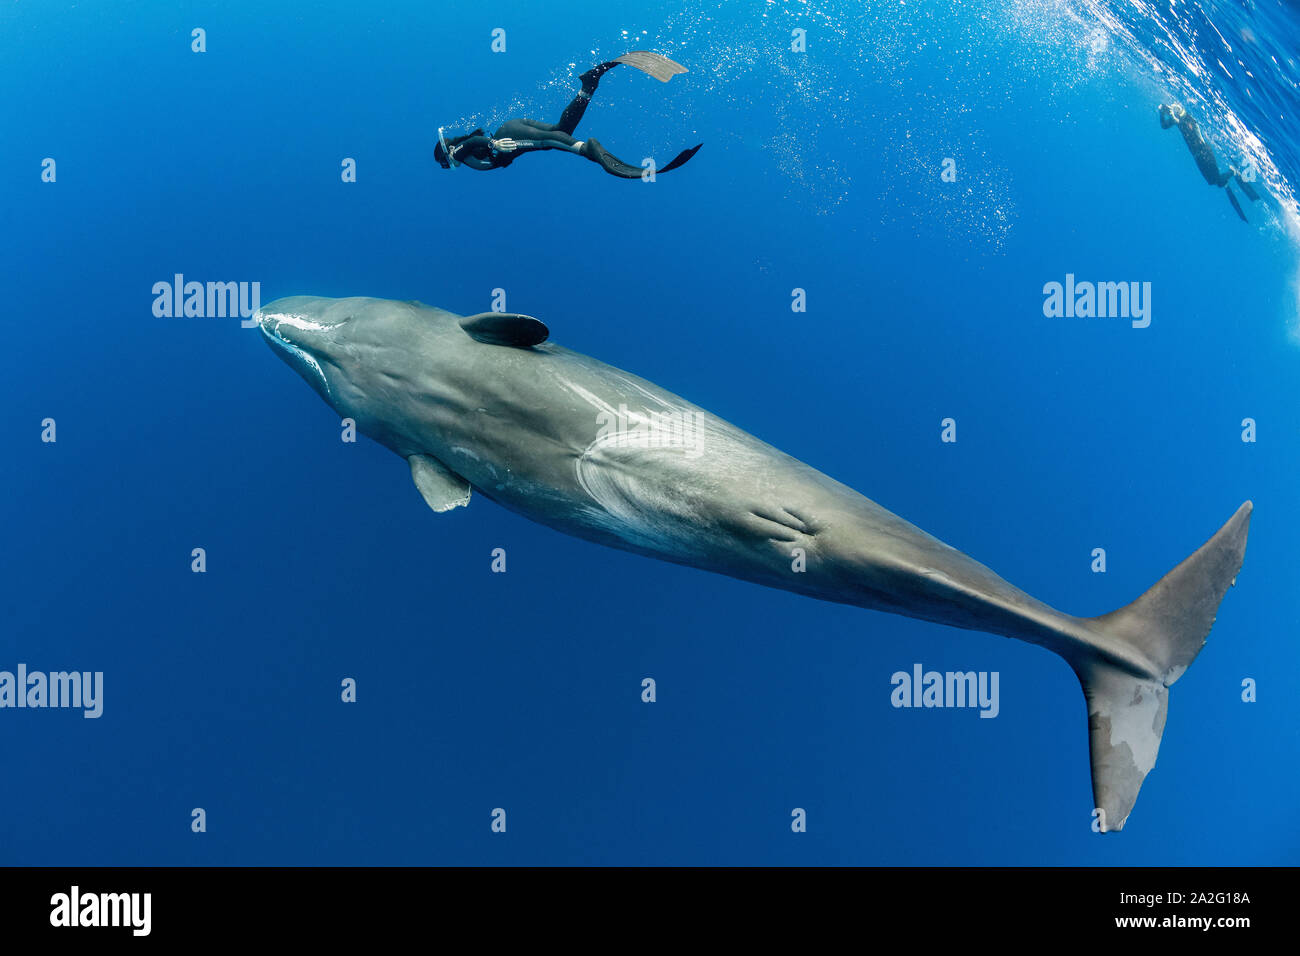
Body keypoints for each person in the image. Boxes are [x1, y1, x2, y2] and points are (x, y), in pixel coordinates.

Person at [435, 52, 702, 179]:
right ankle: (588, 85)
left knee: (550, 142)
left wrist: (492, 145)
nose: (447, 166)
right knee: (562, 130)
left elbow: (469, 145)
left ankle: (590, 151)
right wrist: (492, 143)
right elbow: (472, 144)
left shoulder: (458, 153)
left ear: (446, 154)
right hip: (513, 128)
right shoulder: (464, 154)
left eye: (443, 163)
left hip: (509, 136)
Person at [1158, 101, 1261, 221]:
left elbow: (1181, 117)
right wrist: (1161, 113)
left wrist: (1174, 112)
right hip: (1198, 155)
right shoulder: (1177, 119)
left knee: (1214, 180)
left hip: (1204, 151)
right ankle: (1226, 180)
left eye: (1171, 110)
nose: (1171, 113)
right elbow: (1165, 125)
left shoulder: (1185, 117)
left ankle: (1233, 172)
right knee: (1212, 181)